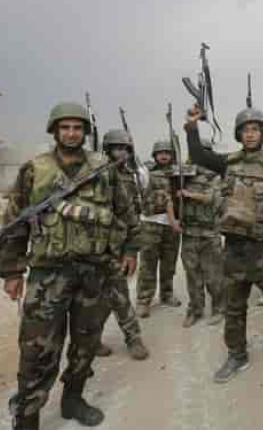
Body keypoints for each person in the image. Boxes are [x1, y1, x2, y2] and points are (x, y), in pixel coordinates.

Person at [0, 102, 140, 430]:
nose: (72, 133)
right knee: (36, 349)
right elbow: (14, 222)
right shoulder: (35, 169)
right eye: (65, 127)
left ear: (85, 132)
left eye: (77, 128)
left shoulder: (103, 168)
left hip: (94, 271)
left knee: (85, 343)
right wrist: (12, 271)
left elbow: (126, 212)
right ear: (55, 130)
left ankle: (73, 399)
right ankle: (28, 416)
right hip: (48, 274)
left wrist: (130, 249)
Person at [185, 105, 263, 390]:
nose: (251, 134)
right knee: (234, 307)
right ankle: (236, 355)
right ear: (239, 134)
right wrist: (192, 127)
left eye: (256, 129)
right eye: (245, 129)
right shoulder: (229, 163)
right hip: (236, 250)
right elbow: (199, 156)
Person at [95, 129, 149, 360]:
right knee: (93, 300)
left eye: (125, 149)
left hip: (117, 246)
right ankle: (93, 339)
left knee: (119, 295)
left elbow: (133, 214)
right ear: (107, 150)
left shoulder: (131, 176)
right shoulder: (95, 174)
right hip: (91, 247)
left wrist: (131, 250)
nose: (121, 153)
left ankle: (133, 338)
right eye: (117, 148)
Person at [180, 136, 226, 328]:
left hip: (210, 233)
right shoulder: (184, 175)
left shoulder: (215, 176)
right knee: (192, 275)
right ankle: (195, 310)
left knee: (214, 275)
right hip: (189, 233)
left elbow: (212, 199)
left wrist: (189, 194)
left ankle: (219, 308)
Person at [135, 140, 182, 318]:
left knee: (169, 262)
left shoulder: (179, 172)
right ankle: (144, 300)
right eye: (160, 153)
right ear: (154, 155)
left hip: (172, 223)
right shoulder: (146, 172)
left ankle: (167, 293)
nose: (164, 156)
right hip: (150, 223)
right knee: (148, 263)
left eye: (167, 153)